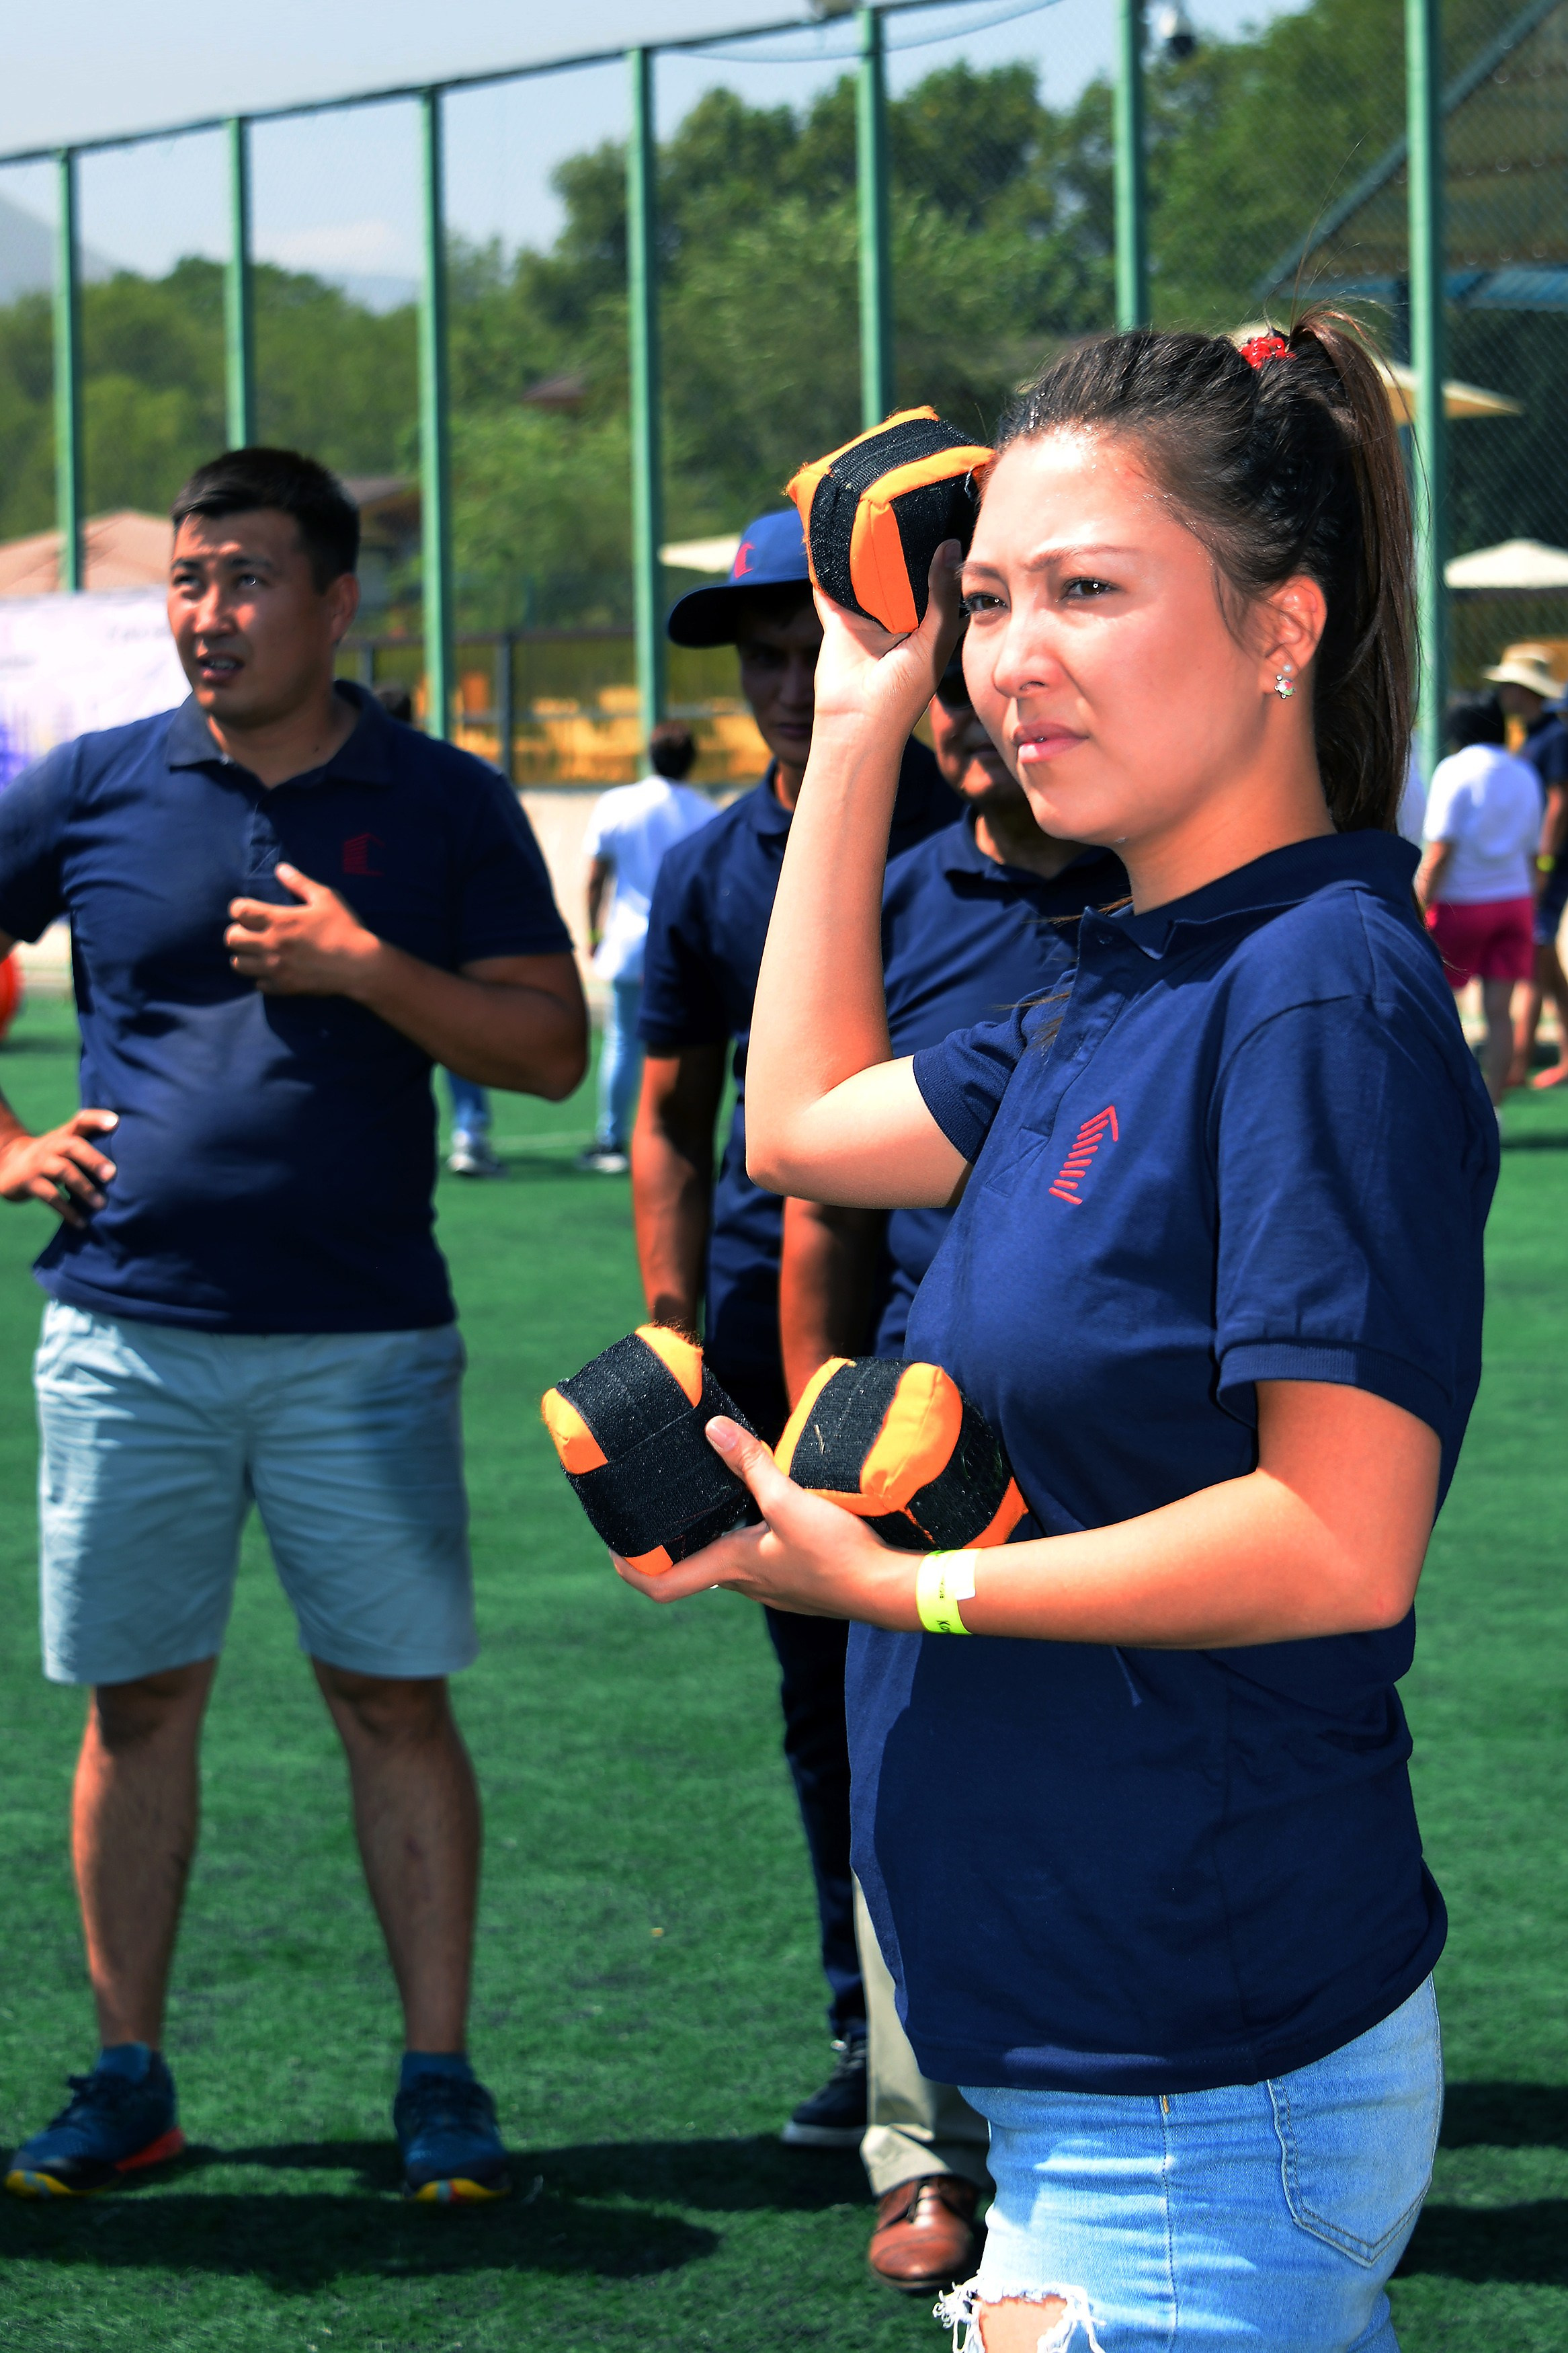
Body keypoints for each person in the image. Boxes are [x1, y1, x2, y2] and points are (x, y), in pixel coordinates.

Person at [619, 317, 1497, 2353]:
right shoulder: (1116, 979)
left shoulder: (1311, 993)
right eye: (988, 597)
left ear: (1284, 625)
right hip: (1088, 2063)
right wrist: (856, 715)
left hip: (1197, 2064)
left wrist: (907, 1589)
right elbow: (796, 1119)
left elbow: (1333, 1539)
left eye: (1090, 589)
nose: (1014, 653)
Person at [0, 447, 586, 2204]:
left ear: (337, 602)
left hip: (362, 1345)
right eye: (189, 579)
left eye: (247, 579)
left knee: (391, 1703)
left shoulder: (441, 802)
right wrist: (11, 1143)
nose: (209, 613)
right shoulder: (93, 787)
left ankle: (439, 2079)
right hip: (126, 1336)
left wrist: (364, 967)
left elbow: (548, 1048)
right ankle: (128, 2076)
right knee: (138, 1707)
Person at [778, 647, 1128, 2296]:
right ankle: (926, 2159)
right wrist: (818, 1434)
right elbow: (813, 1183)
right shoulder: (898, 896)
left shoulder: (1178, 900)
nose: (980, 690)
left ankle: (1107, 2127)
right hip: (915, 1429)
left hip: (1117, 1417)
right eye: (963, 635)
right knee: (908, 1791)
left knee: (1109, 1783)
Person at [634, 506, 954, 2151]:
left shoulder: (992, 832)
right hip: (779, 1352)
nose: (781, 678)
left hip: (966, 1333)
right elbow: (672, 1118)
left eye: (803, 642)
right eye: (760, 654)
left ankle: (1021, 2044)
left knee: (1004, 1678)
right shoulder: (706, 871)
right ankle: (874, 2037)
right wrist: (672, 1332)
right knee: (829, 1702)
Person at [374, 679, 505, 1178]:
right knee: (455, 1036)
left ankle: (382, 1141)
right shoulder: (444, 773)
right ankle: (469, 1136)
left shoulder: (357, 776)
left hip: (382, 932)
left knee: (380, 1043)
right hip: (442, 926)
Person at [577, 720, 715, 1175]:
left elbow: (596, 878)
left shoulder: (618, 804)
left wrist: (593, 935)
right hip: (684, 948)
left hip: (628, 943)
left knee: (621, 1041)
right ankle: (677, 1139)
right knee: (686, 1048)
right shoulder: (706, 812)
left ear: (648, 756)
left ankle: (611, 1138)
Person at [1415, 691, 1540, 1106]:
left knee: (1438, 1008)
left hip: (1461, 905)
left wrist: (1416, 906)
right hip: (1515, 902)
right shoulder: (1524, 773)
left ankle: (1447, 1104)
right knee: (1499, 1013)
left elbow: (1439, 850)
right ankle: (1494, 1108)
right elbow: (1531, 851)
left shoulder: (1455, 771)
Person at [1485, 646, 1568, 1088]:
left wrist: (1543, 860)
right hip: (1539, 860)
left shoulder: (1552, 738)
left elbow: (1558, 803)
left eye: (1509, 685)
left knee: (1533, 958)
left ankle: (1516, 1064)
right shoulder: (1532, 735)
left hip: (1549, 862)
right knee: (1546, 962)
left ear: (1526, 691)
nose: (1502, 692)